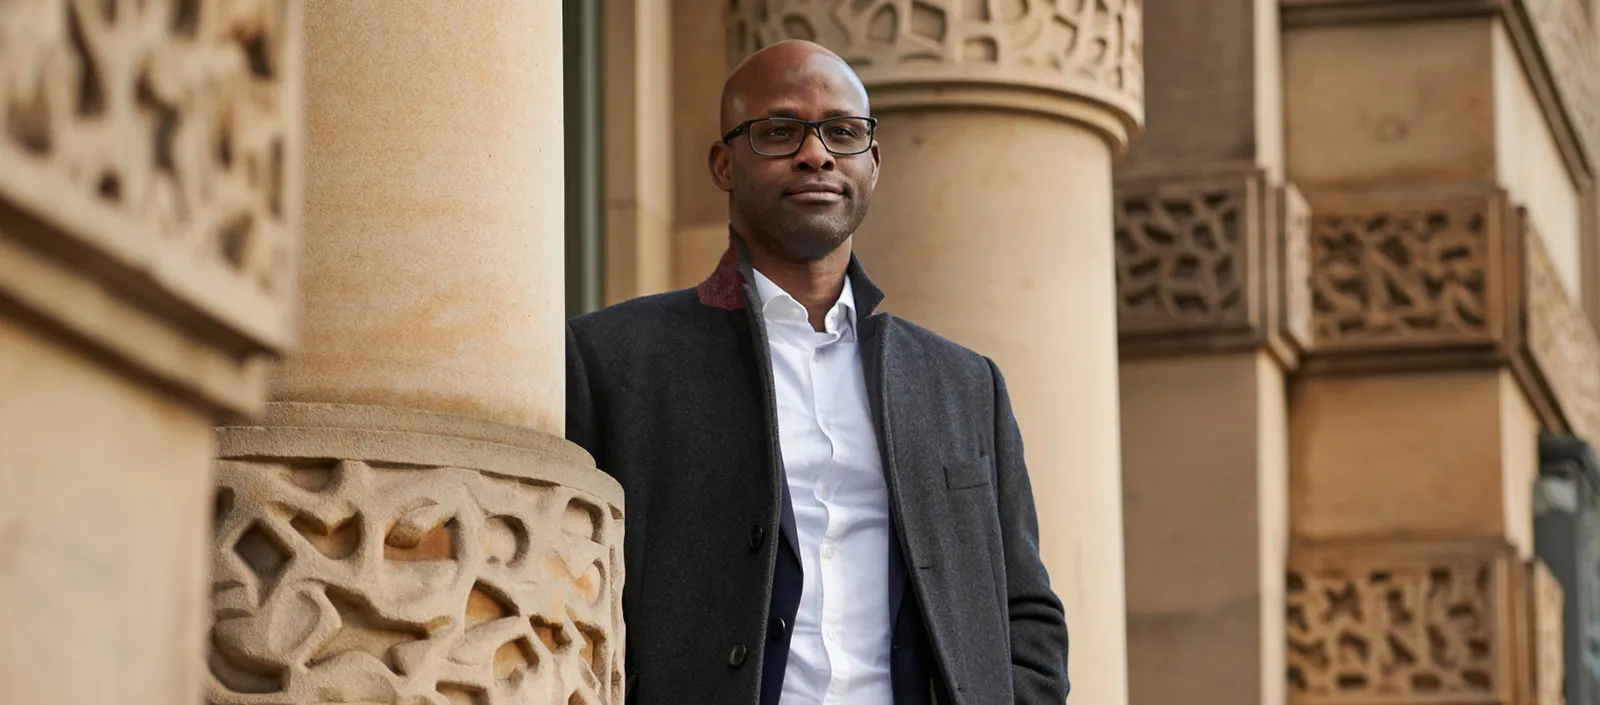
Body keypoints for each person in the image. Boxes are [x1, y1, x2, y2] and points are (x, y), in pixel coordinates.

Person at [565, 39, 1069, 705]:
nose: (816, 153)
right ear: (724, 164)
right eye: (779, 131)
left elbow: (1026, 612)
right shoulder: (614, 360)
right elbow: (564, 597)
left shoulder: (963, 384)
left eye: (842, 132)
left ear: (873, 160)